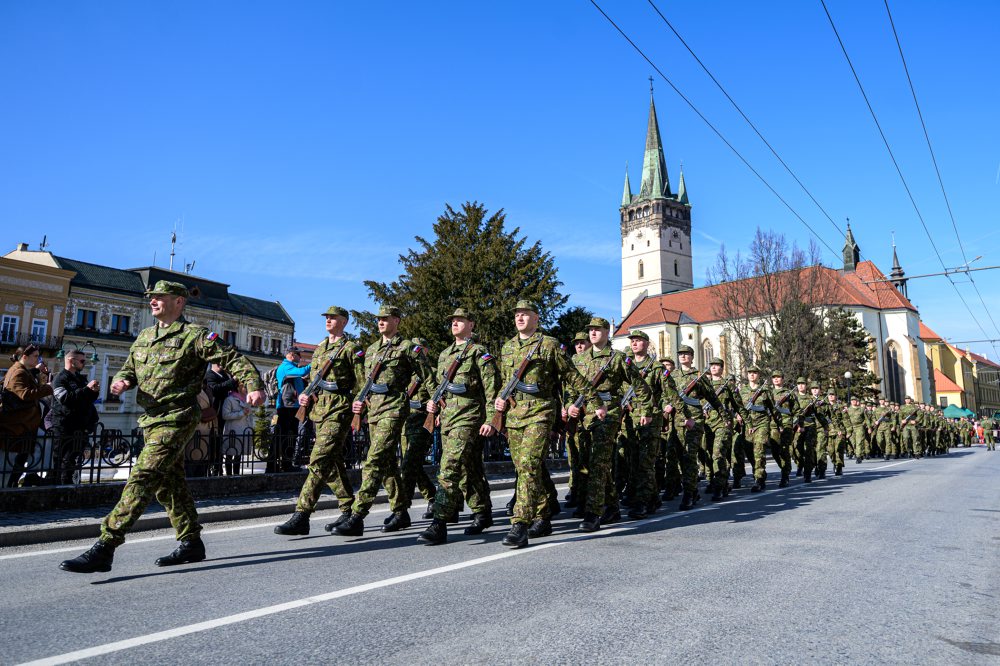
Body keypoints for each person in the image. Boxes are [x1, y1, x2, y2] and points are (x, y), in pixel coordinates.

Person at [59, 280, 263, 573]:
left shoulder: (195, 335)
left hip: (177, 417)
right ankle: (191, 542)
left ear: (179, 301)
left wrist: (254, 385)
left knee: (142, 476)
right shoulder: (144, 336)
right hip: (150, 419)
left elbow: (233, 358)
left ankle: (106, 545)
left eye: (159, 297)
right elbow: (129, 367)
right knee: (170, 485)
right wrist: (123, 381)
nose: (153, 301)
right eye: (151, 297)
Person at [493, 300, 596, 547]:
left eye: (525, 314)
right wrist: (498, 400)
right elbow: (504, 382)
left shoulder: (548, 345)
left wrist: (593, 403)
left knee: (528, 464)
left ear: (536, 318)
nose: (520, 318)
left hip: (541, 412)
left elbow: (572, 376)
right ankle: (543, 514)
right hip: (515, 415)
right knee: (527, 468)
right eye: (517, 314)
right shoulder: (507, 347)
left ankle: (519, 523)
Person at [334, 305, 432, 537]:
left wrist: (435, 404)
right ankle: (400, 512)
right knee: (387, 463)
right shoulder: (372, 350)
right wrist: (359, 401)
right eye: (379, 319)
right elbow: (364, 383)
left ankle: (358, 515)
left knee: (374, 460)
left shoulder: (408, 348)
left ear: (397, 321)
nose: (381, 322)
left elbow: (428, 377)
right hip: (374, 411)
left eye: (386, 319)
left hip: (394, 409)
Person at [274, 306, 364, 535]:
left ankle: (302, 514)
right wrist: (306, 394)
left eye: (333, 318)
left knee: (318, 459)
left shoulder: (351, 349)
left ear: (343, 322)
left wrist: (358, 407)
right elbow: (314, 378)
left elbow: (362, 383)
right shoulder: (321, 347)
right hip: (319, 410)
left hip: (339, 410)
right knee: (332, 461)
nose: (328, 320)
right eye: (326, 317)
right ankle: (349, 512)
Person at [417, 308, 500, 545]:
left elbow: (491, 388)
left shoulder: (478, 353)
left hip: (470, 417)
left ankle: (440, 522)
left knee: (449, 467)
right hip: (449, 419)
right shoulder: (445, 355)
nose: (455, 323)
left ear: (471, 324)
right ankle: (482, 511)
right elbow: (441, 387)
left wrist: (491, 419)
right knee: (469, 468)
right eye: (452, 320)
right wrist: (435, 405)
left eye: (460, 320)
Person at [573, 317, 652, 531]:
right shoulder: (578, 359)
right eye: (591, 330)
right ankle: (612, 506)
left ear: (608, 333)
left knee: (598, 461)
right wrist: (569, 405)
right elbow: (571, 387)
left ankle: (593, 513)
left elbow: (641, 386)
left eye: (598, 330)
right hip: (585, 414)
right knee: (592, 462)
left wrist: (645, 410)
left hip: (609, 412)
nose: (593, 333)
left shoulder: (617, 359)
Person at [663, 345, 721, 510]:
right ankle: (693, 489)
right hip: (676, 421)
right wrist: (665, 407)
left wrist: (724, 416)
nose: (683, 356)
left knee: (689, 457)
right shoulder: (671, 375)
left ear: (692, 356)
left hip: (694, 420)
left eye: (686, 354)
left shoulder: (699, 376)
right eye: (680, 353)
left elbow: (712, 397)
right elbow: (664, 395)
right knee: (677, 456)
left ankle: (688, 494)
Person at [1, 345, 53, 488]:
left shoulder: (22, 370)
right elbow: (25, 394)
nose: (39, 359)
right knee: (9, 466)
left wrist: (36, 370)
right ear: (24, 356)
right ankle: (8, 490)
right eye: (36, 356)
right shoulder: (18, 372)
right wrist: (48, 387)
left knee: (18, 462)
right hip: (16, 427)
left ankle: (16, 485)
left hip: (24, 427)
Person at [49, 349, 99, 485]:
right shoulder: (60, 378)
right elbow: (65, 398)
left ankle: (68, 484)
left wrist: (93, 392)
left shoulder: (80, 378)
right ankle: (57, 486)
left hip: (80, 426)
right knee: (61, 459)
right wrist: (86, 390)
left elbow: (85, 399)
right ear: (71, 361)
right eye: (82, 361)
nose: (85, 363)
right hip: (64, 425)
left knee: (73, 459)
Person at [564, 331, 590, 509]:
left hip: (590, 414)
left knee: (586, 458)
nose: (579, 346)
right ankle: (574, 489)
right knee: (573, 456)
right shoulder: (571, 362)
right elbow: (566, 388)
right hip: (573, 415)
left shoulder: (594, 362)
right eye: (577, 343)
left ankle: (585, 495)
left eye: (582, 342)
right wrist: (567, 406)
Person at [739, 366, 776, 492]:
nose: (752, 375)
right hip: (748, 424)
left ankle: (758, 479)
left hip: (762, 423)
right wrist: (738, 415)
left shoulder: (765, 391)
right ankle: (760, 471)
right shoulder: (742, 390)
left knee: (759, 449)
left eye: (754, 373)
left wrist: (779, 424)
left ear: (758, 375)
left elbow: (773, 409)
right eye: (750, 373)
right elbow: (738, 407)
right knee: (749, 452)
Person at [274, 347, 310, 471]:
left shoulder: (291, 368)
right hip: (287, 406)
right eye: (299, 355)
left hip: (292, 405)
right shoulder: (286, 367)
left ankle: (287, 463)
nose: (300, 357)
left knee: (291, 435)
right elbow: (302, 372)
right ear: (291, 355)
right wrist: (315, 363)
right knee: (287, 436)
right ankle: (285, 464)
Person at [768, 370, 798, 487]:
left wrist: (794, 422)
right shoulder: (768, 393)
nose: (776, 379)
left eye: (778, 377)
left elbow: (797, 410)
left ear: (783, 379)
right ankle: (785, 467)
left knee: (784, 450)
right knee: (775, 450)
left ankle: (785, 475)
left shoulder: (788, 393)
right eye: (774, 377)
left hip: (786, 424)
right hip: (773, 424)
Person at [221, 383, 253, 475]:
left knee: (238, 456)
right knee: (229, 454)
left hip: (243, 430)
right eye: (245, 387)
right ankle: (229, 475)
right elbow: (225, 415)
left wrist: (250, 428)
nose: (247, 389)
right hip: (232, 431)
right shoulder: (229, 399)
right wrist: (241, 413)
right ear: (238, 388)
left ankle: (236, 475)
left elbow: (249, 415)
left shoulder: (247, 399)